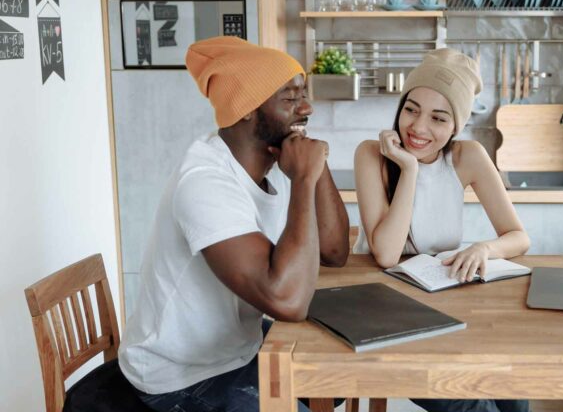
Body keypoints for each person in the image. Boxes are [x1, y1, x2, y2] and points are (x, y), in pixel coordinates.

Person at [118, 36, 349, 412]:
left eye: (303, 94)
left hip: (237, 349)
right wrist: (304, 180)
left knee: (340, 378)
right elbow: (288, 302)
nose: (306, 107)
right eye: (289, 99)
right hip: (181, 374)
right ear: (246, 109)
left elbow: (335, 252)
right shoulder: (205, 182)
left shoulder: (272, 164)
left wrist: (315, 166)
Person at [353, 48, 531, 412]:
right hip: (384, 318)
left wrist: (484, 248)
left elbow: (518, 236)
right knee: (473, 406)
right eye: (411, 109)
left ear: (456, 127)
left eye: (438, 118)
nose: (418, 128)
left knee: (511, 388)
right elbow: (386, 254)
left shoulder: (468, 157)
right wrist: (410, 169)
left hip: (444, 306)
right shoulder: (371, 154)